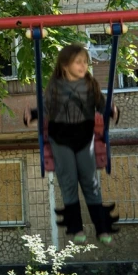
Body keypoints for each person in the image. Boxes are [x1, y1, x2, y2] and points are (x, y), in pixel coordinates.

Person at [24, 43, 120, 245]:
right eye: (78, 62)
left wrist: (111, 110)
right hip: (60, 140)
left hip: (84, 138)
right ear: (65, 65)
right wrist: (32, 114)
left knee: (90, 182)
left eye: (85, 62)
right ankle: (76, 229)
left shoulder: (91, 85)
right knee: (68, 181)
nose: (83, 65)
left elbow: (102, 106)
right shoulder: (55, 87)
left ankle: (102, 229)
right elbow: (45, 107)